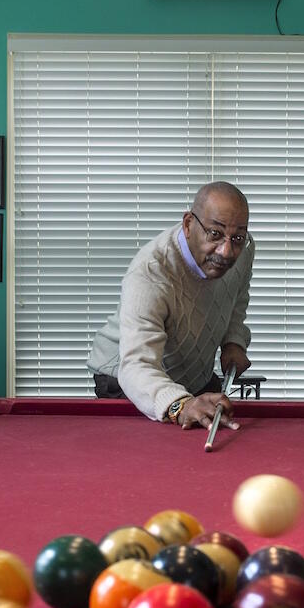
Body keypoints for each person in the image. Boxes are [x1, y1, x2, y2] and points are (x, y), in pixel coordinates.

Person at [87, 181, 254, 429]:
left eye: (237, 237)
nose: (227, 251)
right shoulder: (151, 273)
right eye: (215, 234)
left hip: (194, 375)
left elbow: (236, 299)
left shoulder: (244, 248)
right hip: (128, 379)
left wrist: (233, 341)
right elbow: (136, 365)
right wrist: (180, 405)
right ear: (188, 225)